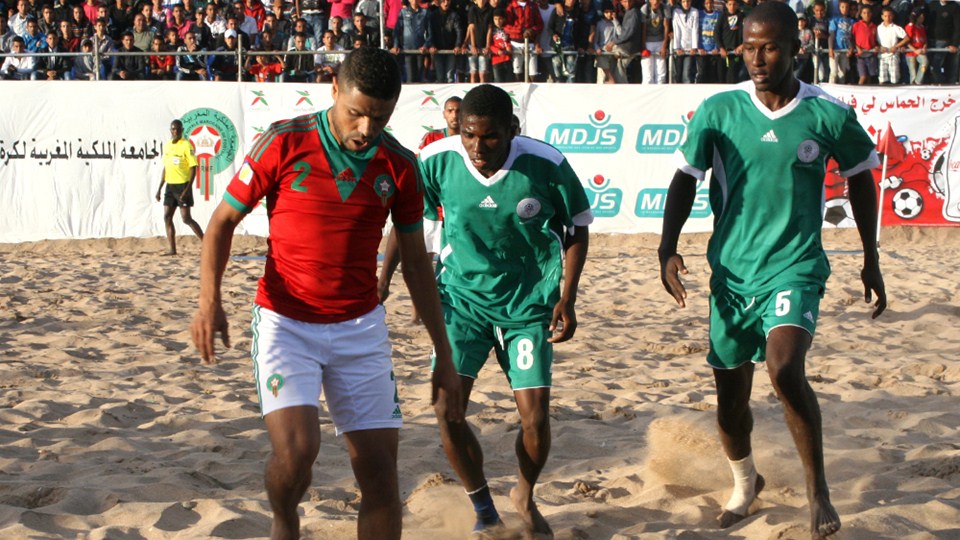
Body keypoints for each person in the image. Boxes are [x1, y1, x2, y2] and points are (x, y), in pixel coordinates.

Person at [190, 46, 463, 540]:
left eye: (379, 117)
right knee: (297, 455)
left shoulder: (400, 166)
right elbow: (222, 221)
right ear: (334, 89)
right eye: (357, 112)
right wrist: (210, 301)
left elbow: (416, 264)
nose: (366, 128)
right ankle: (284, 519)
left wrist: (443, 353)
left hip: (360, 329)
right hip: (286, 322)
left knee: (380, 475)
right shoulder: (284, 142)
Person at [657, 3, 886, 539]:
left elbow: (862, 178)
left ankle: (818, 491)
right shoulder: (719, 110)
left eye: (771, 47)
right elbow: (685, 178)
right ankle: (746, 484)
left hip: (795, 266)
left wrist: (870, 256)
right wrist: (667, 247)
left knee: (784, 371)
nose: (758, 59)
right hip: (731, 274)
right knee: (730, 402)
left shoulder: (827, 114)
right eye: (749, 48)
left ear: (795, 49)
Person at [385, 84, 592, 538]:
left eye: (490, 137)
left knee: (535, 419)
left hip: (527, 306)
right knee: (447, 409)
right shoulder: (436, 160)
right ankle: (483, 510)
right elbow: (406, 222)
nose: (478, 148)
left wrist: (568, 296)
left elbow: (577, 227)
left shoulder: (547, 164)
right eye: (469, 135)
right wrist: (382, 280)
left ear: (512, 129)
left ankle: (524, 494)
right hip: (461, 303)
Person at [155, 119, 204, 256]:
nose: (175, 131)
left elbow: (193, 168)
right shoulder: (167, 146)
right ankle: (172, 249)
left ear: (182, 130)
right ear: (170, 130)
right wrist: (159, 188)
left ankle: (206, 244)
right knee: (167, 217)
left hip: (183, 186)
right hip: (170, 186)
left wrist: (187, 190)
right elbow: (166, 168)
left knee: (186, 218)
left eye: (177, 129)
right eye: (173, 129)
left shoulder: (186, 145)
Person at [877, 6, 908, 85]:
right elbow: (876, 41)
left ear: (893, 16)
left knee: (894, 79)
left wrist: (896, 46)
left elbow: (906, 38)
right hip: (882, 56)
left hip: (893, 56)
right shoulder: (879, 28)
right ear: (882, 16)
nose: (888, 18)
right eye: (885, 16)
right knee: (882, 79)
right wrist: (880, 47)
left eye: (890, 16)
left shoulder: (896, 28)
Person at [851, 3, 877, 84]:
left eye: (868, 13)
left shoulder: (874, 26)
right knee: (863, 76)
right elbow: (852, 38)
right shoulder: (856, 25)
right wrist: (857, 47)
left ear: (871, 14)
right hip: (860, 55)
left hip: (871, 54)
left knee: (870, 76)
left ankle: (869, 91)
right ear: (861, 14)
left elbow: (876, 40)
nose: (867, 15)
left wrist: (876, 47)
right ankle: (858, 90)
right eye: (864, 13)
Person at [904, 8, 927, 85]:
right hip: (911, 52)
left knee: (925, 62)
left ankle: (918, 81)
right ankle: (913, 85)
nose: (922, 19)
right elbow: (907, 41)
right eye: (921, 17)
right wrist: (914, 50)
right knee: (912, 72)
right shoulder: (910, 26)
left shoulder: (922, 27)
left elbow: (925, 40)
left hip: (920, 51)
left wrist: (924, 47)